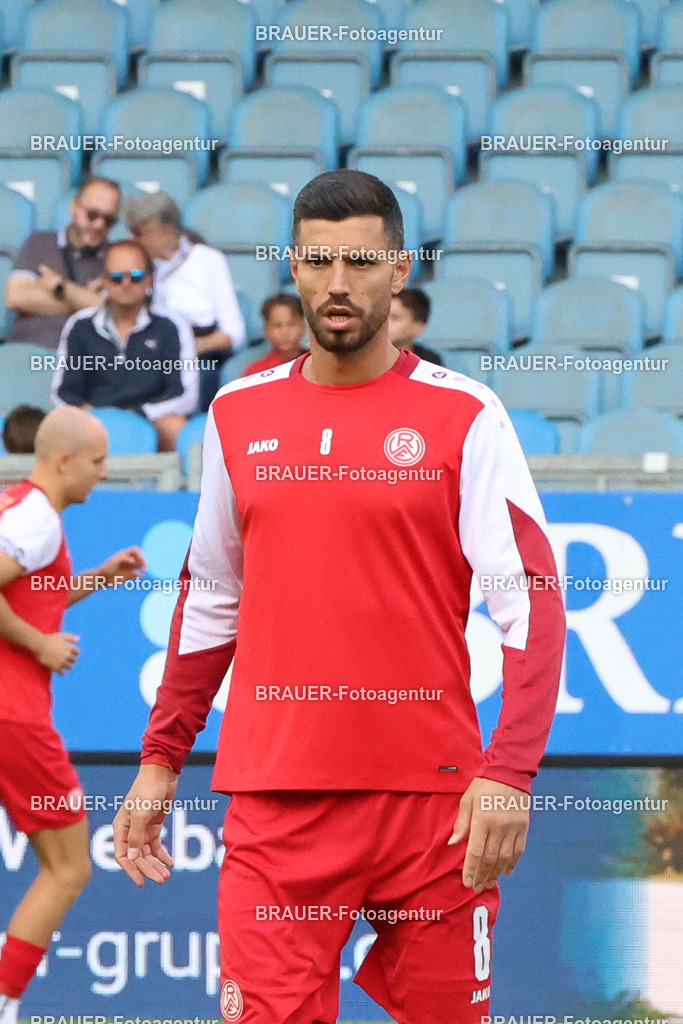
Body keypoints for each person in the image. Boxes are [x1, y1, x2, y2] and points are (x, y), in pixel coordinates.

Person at [113, 170, 566, 1024]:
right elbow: (210, 599)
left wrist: (508, 772)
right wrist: (159, 758)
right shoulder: (238, 416)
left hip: (432, 808)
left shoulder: (466, 416)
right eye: (318, 263)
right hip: (276, 807)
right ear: (292, 266)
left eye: (361, 261)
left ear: (398, 270)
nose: (337, 283)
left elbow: (533, 601)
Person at [0, 406, 146, 1024]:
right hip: (14, 716)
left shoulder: (21, 508)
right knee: (68, 867)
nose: (104, 474)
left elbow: (29, 592)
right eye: (97, 462)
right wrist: (39, 646)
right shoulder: (36, 517)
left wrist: (100, 578)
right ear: (62, 460)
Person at [51, 240, 198, 452]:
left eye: (136, 277)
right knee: (53, 425)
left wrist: (137, 414)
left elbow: (184, 394)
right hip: (90, 419)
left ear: (150, 280)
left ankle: (181, 486)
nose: (126, 284)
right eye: (117, 277)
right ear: (104, 281)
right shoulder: (80, 325)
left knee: (176, 427)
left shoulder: (172, 326)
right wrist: (95, 415)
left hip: (151, 418)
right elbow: (62, 392)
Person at [125, 191, 247, 412]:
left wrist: (185, 349)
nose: (132, 240)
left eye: (139, 233)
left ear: (166, 231)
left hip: (200, 356)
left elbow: (234, 333)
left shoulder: (208, 260)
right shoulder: (137, 267)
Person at [5, 178, 121, 350]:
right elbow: (16, 297)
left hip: (87, 358)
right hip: (33, 350)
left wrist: (61, 287)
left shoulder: (117, 256)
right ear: (74, 207)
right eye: (92, 215)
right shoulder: (39, 242)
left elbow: (114, 313)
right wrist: (85, 299)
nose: (99, 225)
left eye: (109, 220)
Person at [242, 293, 308, 377]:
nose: (285, 332)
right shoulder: (256, 373)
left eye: (292, 324)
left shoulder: (318, 366)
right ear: (266, 330)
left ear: (304, 327)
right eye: (277, 325)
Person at [388, 286, 443, 365]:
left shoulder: (428, 362)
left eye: (395, 318)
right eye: (382, 316)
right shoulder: (365, 358)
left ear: (417, 327)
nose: (385, 324)